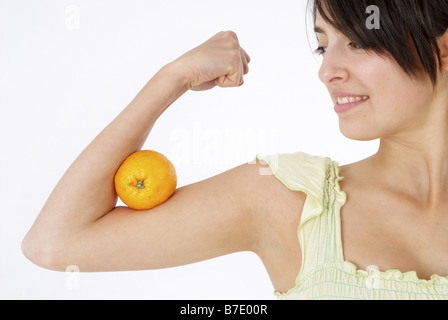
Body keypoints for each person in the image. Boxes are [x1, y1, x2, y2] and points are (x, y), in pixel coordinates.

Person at [22, 0, 448, 300]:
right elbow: (56, 243)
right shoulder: (288, 199)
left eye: (357, 41)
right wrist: (173, 78)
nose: (327, 71)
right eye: (323, 45)